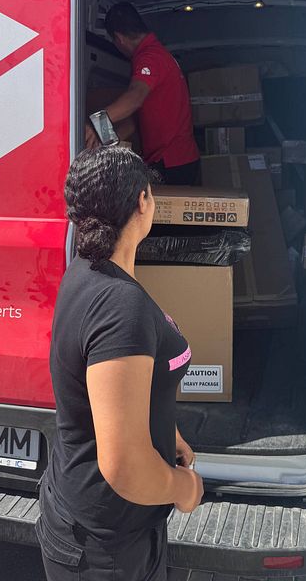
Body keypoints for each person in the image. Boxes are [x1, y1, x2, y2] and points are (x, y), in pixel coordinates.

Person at [37, 146, 204, 580]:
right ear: (143, 202)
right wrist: (184, 488)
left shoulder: (88, 271)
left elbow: (120, 393)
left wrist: (168, 434)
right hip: (107, 549)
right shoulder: (119, 307)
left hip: (95, 527)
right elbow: (126, 468)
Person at [85, 3, 200, 185]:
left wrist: (97, 123)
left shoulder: (150, 57)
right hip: (175, 160)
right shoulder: (157, 54)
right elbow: (136, 120)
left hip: (171, 162)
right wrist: (108, 144)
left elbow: (135, 97)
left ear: (119, 39)